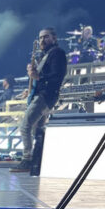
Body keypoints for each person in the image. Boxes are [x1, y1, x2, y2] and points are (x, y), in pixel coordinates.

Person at [11, 27, 67, 174]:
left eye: (46, 37)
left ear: (54, 38)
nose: (42, 40)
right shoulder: (45, 55)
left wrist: (38, 77)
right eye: (40, 37)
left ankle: (27, 159)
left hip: (46, 96)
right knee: (35, 129)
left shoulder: (57, 53)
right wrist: (33, 77)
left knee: (25, 126)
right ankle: (35, 159)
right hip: (41, 94)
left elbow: (57, 77)